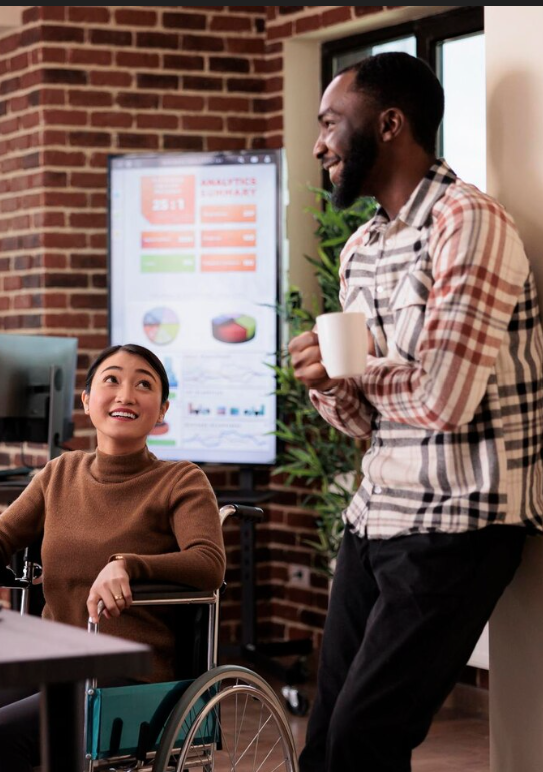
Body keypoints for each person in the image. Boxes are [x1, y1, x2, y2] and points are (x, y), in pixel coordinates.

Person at [290, 52, 543, 772]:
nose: (319, 145)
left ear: (391, 124)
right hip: (376, 516)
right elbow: (366, 424)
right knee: (326, 746)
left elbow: (444, 399)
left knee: (364, 743)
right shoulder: (363, 248)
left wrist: (355, 372)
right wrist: (327, 384)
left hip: (458, 524)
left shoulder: (470, 222)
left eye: (331, 124)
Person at [0, 344, 226, 772]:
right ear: (87, 402)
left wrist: (127, 564)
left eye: (143, 384)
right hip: (55, 662)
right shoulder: (60, 472)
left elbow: (208, 562)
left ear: (162, 409)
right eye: (112, 380)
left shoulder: (181, 480)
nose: (126, 394)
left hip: (131, 674)